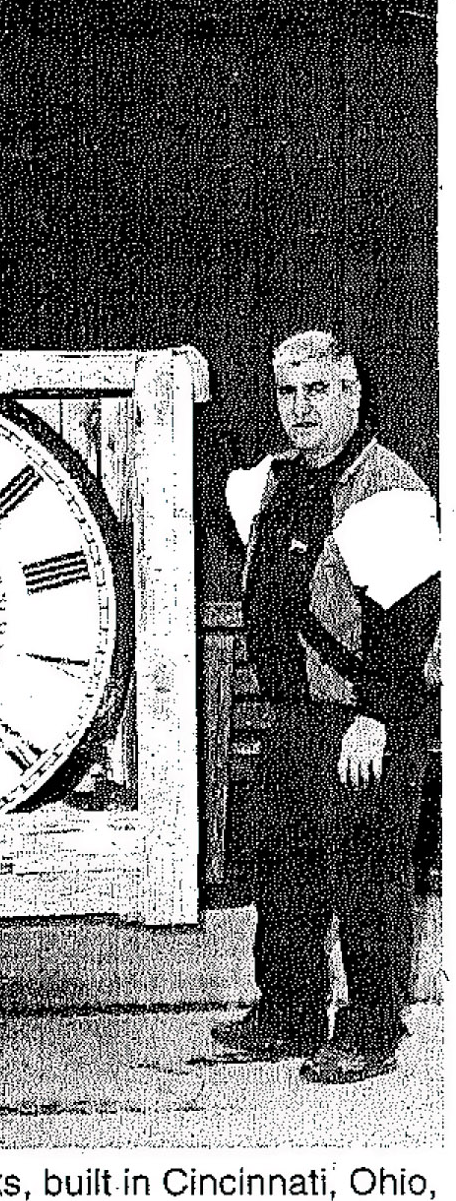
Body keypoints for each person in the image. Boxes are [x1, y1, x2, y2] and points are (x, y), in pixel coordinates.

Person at [213, 330, 439, 1083]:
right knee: (284, 873)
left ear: (351, 394)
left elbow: (410, 617)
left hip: (364, 722)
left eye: (316, 391)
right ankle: (286, 1012)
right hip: (296, 719)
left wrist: (375, 716)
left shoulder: (387, 487)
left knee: (368, 882)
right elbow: (217, 496)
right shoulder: (274, 481)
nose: (300, 407)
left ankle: (369, 1033)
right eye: (286, 392)